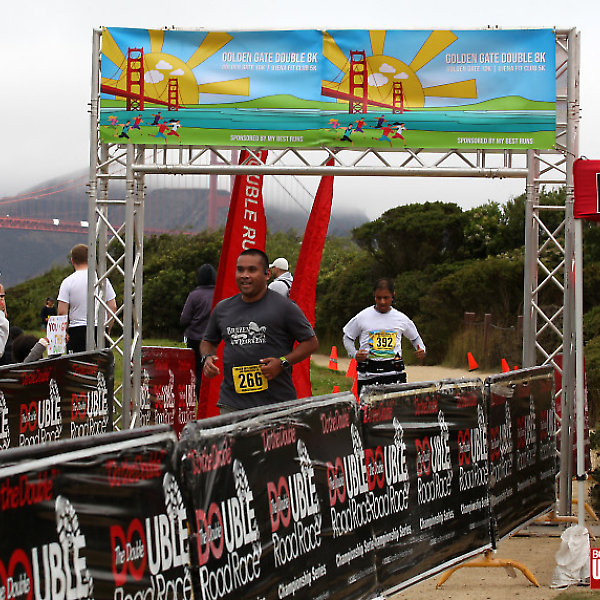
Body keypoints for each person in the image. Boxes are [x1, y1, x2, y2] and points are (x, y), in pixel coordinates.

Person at [201, 249, 318, 413]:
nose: (245, 275)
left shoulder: (285, 307)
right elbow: (208, 340)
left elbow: (311, 342)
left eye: (252, 270)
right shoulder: (223, 309)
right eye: (240, 270)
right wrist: (207, 358)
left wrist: (282, 362)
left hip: (275, 405)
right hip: (232, 403)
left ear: (267, 274)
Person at [343, 278, 426, 397]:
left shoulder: (401, 318)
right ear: (374, 296)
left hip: (394, 375)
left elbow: (415, 338)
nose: (382, 302)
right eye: (378, 298)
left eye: (386, 298)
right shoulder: (362, 317)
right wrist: (354, 354)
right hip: (368, 376)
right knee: (367, 409)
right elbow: (348, 337)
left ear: (393, 296)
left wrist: (421, 349)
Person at [57, 244, 117, 354]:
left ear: (72, 261)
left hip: (77, 331)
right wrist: (108, 328)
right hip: (99, 328)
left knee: (77, 363)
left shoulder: (68, 282)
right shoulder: (103, 280)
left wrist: (63, 331)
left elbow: (62, 311)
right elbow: (112, 307)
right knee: (101, 364)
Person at [180, 264, 216, 398]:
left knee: (197, 370)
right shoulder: (218, 294)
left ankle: (199, 397)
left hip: (195, 338)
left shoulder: (194, 295)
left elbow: (184, 319)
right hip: (214, 340)